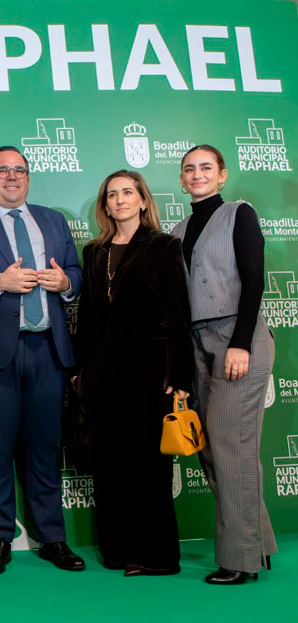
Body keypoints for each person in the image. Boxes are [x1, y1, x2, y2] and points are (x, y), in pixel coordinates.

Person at [0, 146, 84, 576]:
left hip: (47, 349)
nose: (12, 176)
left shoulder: (54, 219)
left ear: (29, 178)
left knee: (45, 449)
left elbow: (78, 274)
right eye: (1, 170)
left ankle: (53, 538)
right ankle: (0, 541)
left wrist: (66, 282)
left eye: (19, 170)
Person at [74, 170, 193, 576]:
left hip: (150, 376)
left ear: (143, 200)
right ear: (105, 205)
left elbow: (179, 316)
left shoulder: (164, 247)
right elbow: (87, 319)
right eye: (112, 194)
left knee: (148, 468)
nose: (120, 200)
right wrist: (79, 372)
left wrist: (181, 376)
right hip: (103, 378)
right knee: (110, 467)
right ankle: (118, 550)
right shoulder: (94, 252)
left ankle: (158, 557)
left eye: (128, 192)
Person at [172, 144, 277, 585]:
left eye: (205, 168)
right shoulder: (177, 229)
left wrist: (240, 344)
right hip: (197, 341)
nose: (197, 174)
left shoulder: (239, 213)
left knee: (232, 448)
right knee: (213, 450)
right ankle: (260, 544)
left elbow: (254, 278)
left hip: (238, 335)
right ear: (182, 179)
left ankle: (240, 561)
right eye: (189, 169)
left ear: (221, 174)